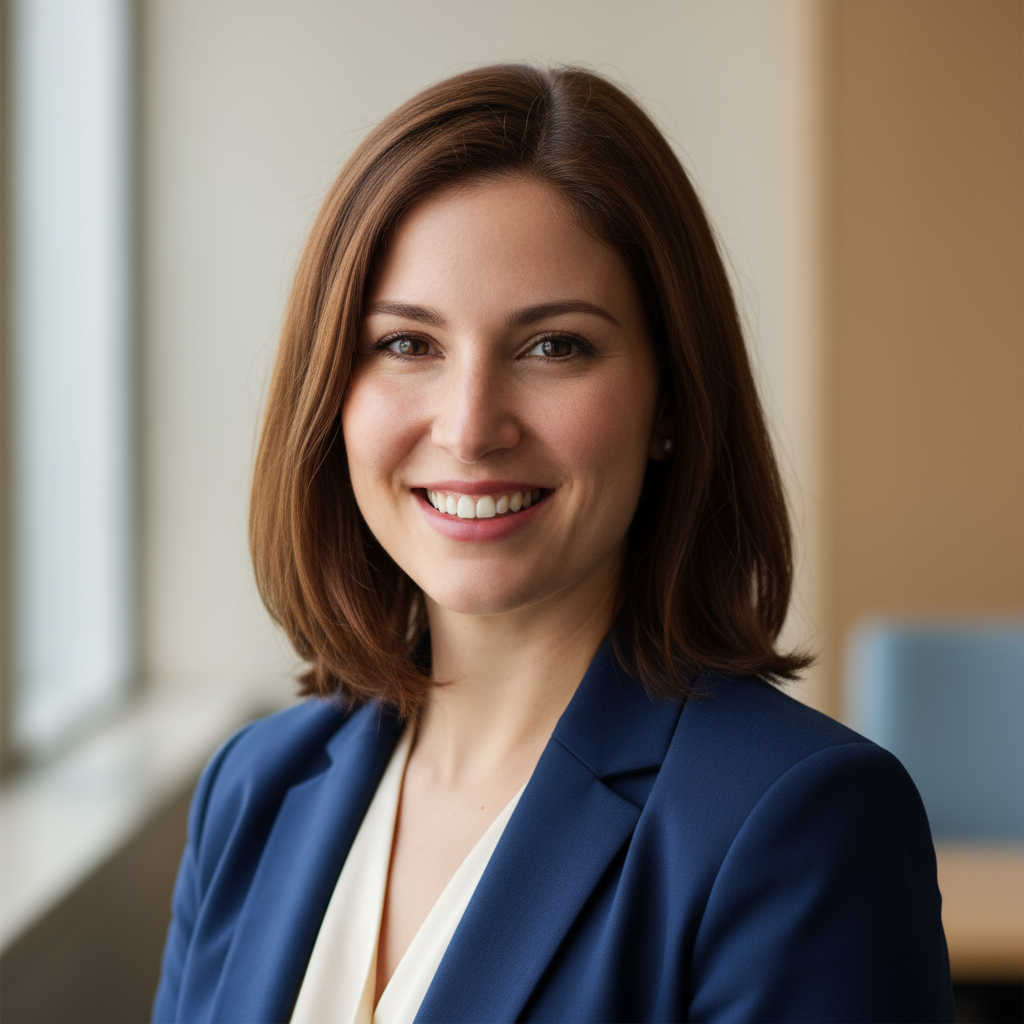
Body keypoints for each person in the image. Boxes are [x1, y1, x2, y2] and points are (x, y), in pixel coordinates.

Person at [152, 64, 954, 1023]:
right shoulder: (253, 788)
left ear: (671, 399)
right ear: (332, 391)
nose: (469, 426)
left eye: (554, 346)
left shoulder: (800, 823)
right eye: (408, 344)